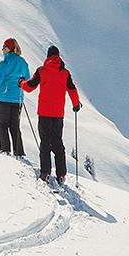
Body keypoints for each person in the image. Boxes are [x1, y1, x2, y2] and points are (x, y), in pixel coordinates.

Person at [20, 44, 81, 184]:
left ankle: (45, 173)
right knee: (58, 143)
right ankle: (61, 175)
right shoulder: (65, 73)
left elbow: (29, 87)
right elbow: (72, 89)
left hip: (44, 113)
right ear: (58, 57)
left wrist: (21, 83)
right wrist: (76, 104)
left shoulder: (42, 71)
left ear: (47, 56)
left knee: (45, 143)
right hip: (58, 114)